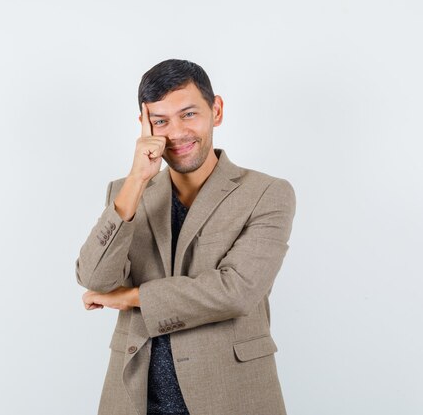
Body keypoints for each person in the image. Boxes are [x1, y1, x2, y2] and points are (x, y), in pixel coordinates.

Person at [75, 59, 296, 415]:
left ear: (216, 110)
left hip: (230, 396)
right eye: (160, 120)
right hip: (136, 400)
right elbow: (95, 278)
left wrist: (131, 297)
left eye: (188, 114)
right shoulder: (126, 193)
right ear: (144, 125)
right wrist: (136, 180)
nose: (175, 132)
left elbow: (235, 292)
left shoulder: (266, 193)